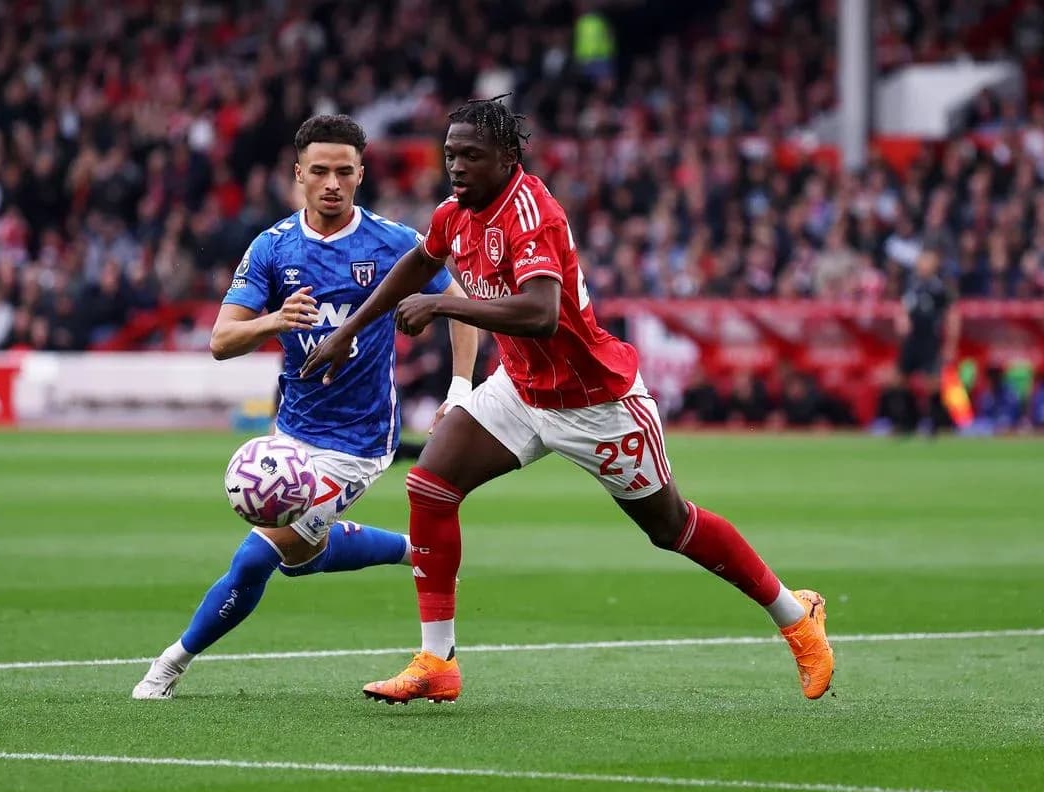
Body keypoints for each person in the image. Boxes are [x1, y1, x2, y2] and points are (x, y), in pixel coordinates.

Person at [302, 98, 833, 704]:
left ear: (507, 159)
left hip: (594, 402)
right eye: (450, 154)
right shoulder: (456, 212)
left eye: (470, 156)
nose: (455, 167)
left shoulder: (532, 213)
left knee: (672, 526)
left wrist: (445, 304)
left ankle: (797, 616)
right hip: (522, 388)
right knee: (430, 485)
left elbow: (541, 312)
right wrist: (349, 330)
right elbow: (416, 265)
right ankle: (436, 660)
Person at [133, 114, 478, 699]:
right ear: (298, 175)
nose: (332, 184)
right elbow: (221, 341)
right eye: (319, 172)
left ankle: (169, 664)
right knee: (301, 558)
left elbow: (458, 300)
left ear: (361, 173)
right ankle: (407, 547)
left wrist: (461, 388)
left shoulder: (394, 243)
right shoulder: (273, 248)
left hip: (359, 443)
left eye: (345, 172)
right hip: (290, 431)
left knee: (256, 556)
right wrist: (274, 320)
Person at [895, 249, 961, 433]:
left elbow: (952, 315)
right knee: (900, 379)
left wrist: (950, 344)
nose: (921, 266)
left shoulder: (940, 288)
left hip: (930, 339)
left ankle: (936, 423)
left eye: (926, 262)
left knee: (932, 382)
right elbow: (903, 307)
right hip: (912, 339)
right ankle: (909, 421)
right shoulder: (912, 286)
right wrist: (902, 320)